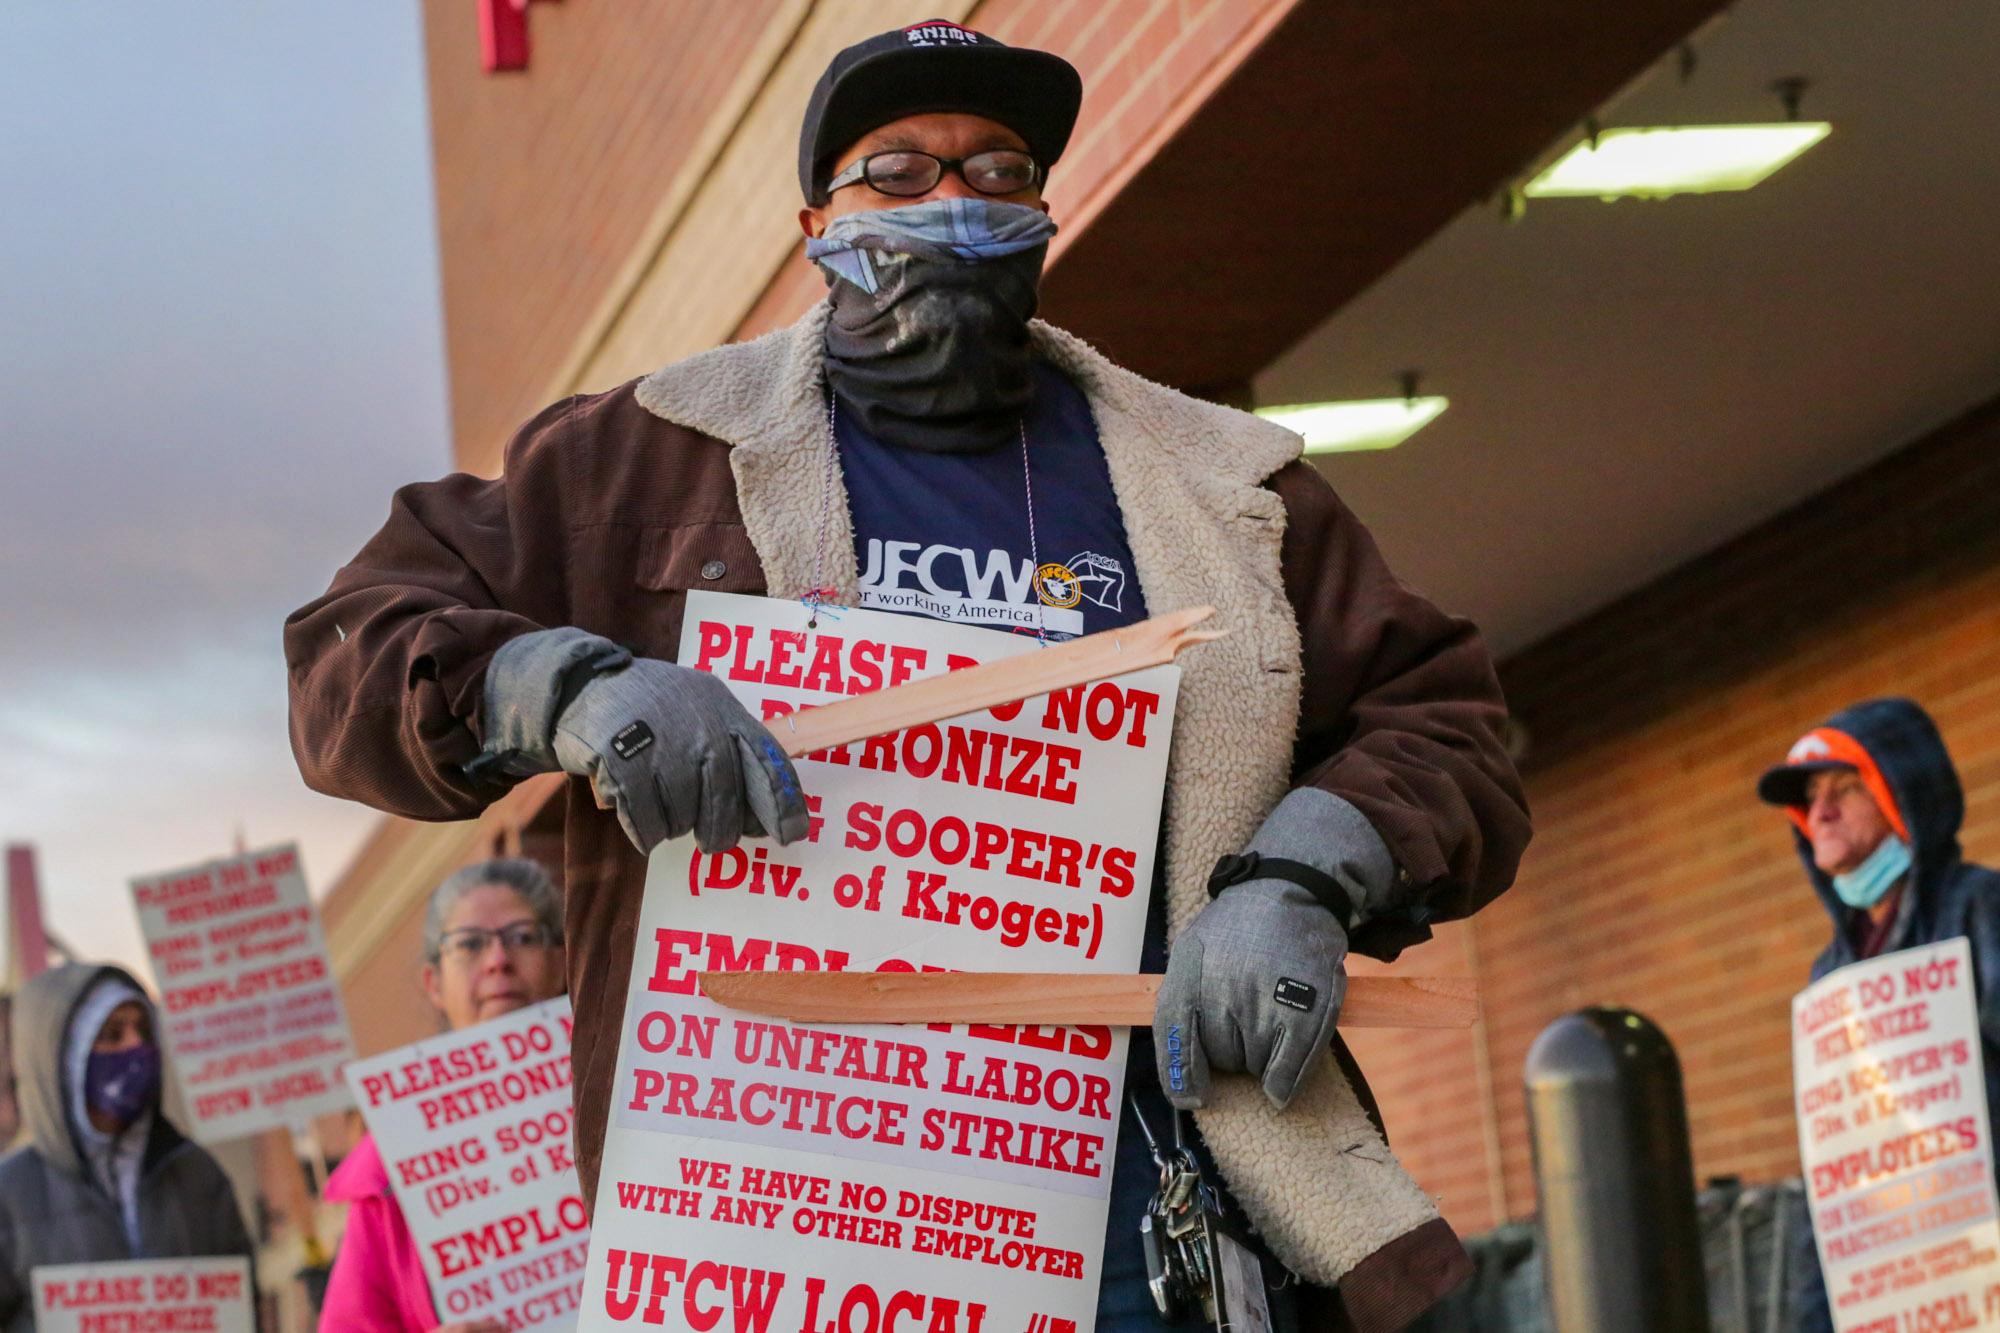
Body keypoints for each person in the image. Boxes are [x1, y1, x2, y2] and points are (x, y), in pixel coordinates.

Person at [286, 18, 1531, 1326]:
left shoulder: (1221, 482)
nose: (951, 198)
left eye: (997, 170)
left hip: (1146, 1219)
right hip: (787, 1223)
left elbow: (1448, 721)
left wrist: (1305, 874)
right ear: (814, 216)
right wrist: (567, 686)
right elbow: (347, 650)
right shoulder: (640, 459)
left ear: (1043, 209)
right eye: (898, 169)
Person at [1757, 697, 2000, 1331]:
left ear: (1903, 795)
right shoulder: (1828, 976)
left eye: (1846, 786)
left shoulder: (1980, 910)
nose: (1821, 811)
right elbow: (1834, 1177)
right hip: (1893, 1297)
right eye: (1809, 797)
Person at [318, 857, 568, 1332]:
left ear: (559, 962)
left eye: (522, 937)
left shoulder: (633, 1103)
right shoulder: (387, 1170)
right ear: (434, 984)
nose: (498, 959)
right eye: (469, 945)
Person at [0, 963, 254, 1332]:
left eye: (144, 1030)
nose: (136, 1046)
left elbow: (243, 1308)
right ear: (65, 1057)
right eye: (113, 1034)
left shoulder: (197, 1173)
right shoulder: (10, 1194)